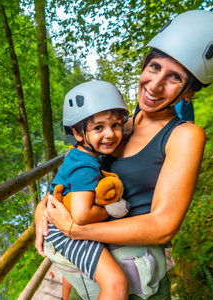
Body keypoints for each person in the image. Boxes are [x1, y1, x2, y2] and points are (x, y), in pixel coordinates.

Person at [35, 10, 213, 300]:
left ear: (189, 92)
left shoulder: (183, 136)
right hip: (87, 271)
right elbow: (73, 170)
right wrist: (42, 207)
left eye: (174, 78)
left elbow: (161, 227)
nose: (155, 85)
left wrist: (76, 230)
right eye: (154, 67)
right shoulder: (118, 126)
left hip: (134, 281)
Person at [45, 80, 131, 300]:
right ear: (78, 133)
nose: (111, 134)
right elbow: (82, 216)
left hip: (55, 226)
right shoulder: (85, 165)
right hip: (64, 230)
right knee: (116, 283)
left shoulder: (78, 155)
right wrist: (112, 209)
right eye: (98, 127)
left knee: (75, 269)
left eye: (116, 125)